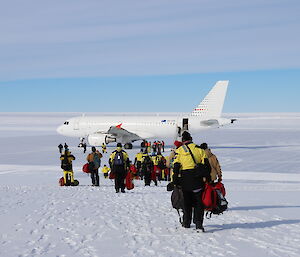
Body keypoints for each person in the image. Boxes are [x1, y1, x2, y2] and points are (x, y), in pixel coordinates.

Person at [173, 131, 210, 232]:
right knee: (198, 203)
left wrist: (175, 181)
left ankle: (186, 222)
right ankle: (198, 224)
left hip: (185, 179)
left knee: (186, 202)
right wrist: (208, 179)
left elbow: (176, 166)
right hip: (197, 179)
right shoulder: (199, 149)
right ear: (191, 139)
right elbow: (207, 166)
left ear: (183, 141)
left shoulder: (180, 150)